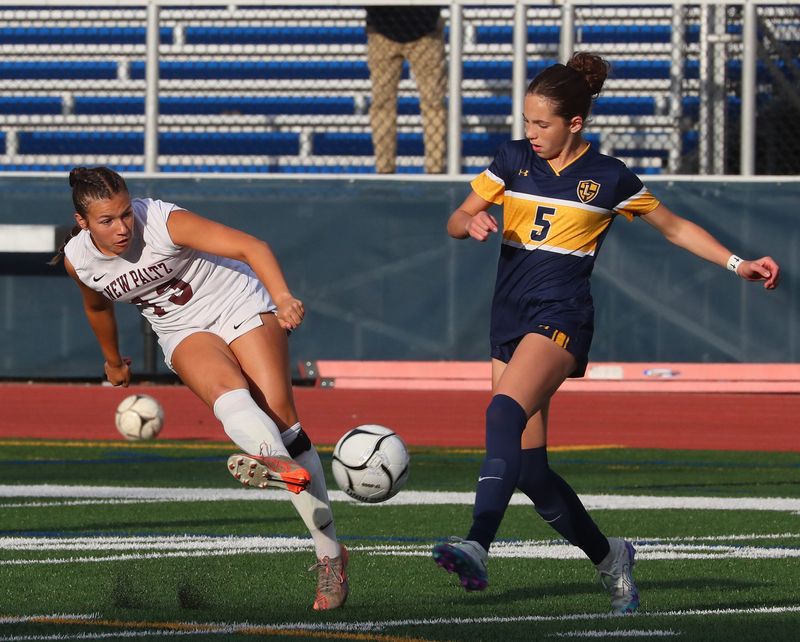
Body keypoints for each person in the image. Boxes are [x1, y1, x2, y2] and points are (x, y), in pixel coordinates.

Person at [431, 52, 780, 614]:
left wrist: (738, 263)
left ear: (575, 123)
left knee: (501, 412)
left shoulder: (609, 176)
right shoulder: (513, 160)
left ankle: (477, 541)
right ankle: (611, 557)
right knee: (532, 474)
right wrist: (468, 221)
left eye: (541, 124)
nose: (531, 133)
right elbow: (454, 217)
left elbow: (674, 228)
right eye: (526, 121)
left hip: (562, 317)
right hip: (508, 318)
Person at [53, 166, 349, 611]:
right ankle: (273, 460)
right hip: (180, 326)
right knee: (225, 395)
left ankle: (328, 551)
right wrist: (113, 362)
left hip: (238, 301)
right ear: (83, 223)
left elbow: (252, 246)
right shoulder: (80, 259)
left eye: (124, 214)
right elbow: (96, 306)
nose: (121, 227)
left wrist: (284, 297)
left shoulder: (161, 221)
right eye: (106, 221)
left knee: (282, 420)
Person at [366, 5, 446, 174]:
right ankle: (384, 168)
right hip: (382, 30)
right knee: (382, 102)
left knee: (434, 102)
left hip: (426, 30)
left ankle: (435, 168)